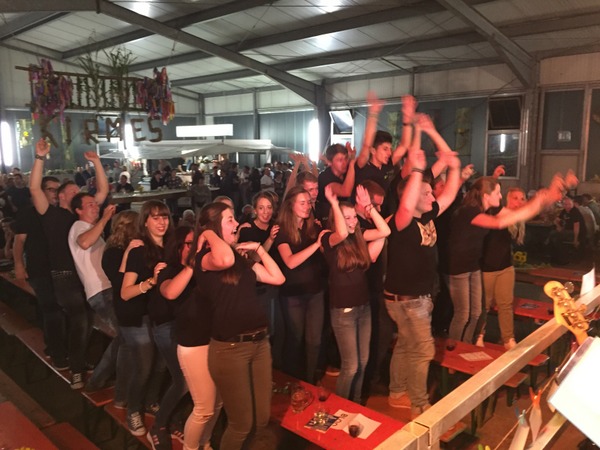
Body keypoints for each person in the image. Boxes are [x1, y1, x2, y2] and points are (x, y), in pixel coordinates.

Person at [384, 122, 462, 418]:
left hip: (417, 298)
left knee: (406, 345)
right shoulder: (401, 221)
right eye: (426, 193)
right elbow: (406, 204)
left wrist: (452, 164)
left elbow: (451, 191)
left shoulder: (427, 215)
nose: (432, 197)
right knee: (424, 350)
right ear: (412, 196)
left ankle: (396, 392)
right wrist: (416, 170)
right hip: (407, 300)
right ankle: (419, 405)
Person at [192, 202, 284, 450]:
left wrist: (259, 249)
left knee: (261, 420)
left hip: (259, 344)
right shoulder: (204, 259)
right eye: (230, 219)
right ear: (214, 226)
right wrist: (207, 232)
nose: (237, 223)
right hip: (230, 350)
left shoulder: (241, 260)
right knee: (241, 424)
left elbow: (278, 277)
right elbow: (222, 258)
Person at [448, 174, 573, 344]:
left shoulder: (487, 209)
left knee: (476, 313)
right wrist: (540, 198)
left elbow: (519, 214)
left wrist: (548, 196)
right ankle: (457, 347)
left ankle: (471, 345)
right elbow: (499, 223)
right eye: (498, 193)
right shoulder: (469, 211)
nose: (501, 196)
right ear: (486, 196)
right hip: (461, 268)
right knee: (464, 314)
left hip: (474, 267)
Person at [30, 138, 109, 389]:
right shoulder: (51, 214)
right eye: (73, 192)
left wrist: (97, 162)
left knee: (86, 322)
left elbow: (102, 192)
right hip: (64, 276)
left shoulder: (82, 216)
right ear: (61, 196)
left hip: (84, 277)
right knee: (80, 321)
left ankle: (80, 361)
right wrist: (39, 157)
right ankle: (76, 369)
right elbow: (34, 189)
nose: (79, 195)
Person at [321, 184, 390, 402]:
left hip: (363, 308)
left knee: (362, 362)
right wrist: (334, 204)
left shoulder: (358, 235)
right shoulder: (328, 237)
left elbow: (385, 231)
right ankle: (341, 406)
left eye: (353, 217)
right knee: (350, 366)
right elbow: (341, 232)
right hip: (344, 311)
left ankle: (356, 403)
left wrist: (369, 207)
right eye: (347, 218)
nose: (352, 222)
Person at [159, 225, 222, 450]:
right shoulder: (169, 270)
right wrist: (192, 265)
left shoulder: (206, 269)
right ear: (178, 247)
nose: (195, 248)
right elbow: (170, 292)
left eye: (197, 244)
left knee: (218, 403)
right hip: (192, 345)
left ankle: (205, 443)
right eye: (189, 244)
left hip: (215, 341)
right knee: (204, 408)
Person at [119, 200, 173, 437]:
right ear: (145, 222)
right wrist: (151, 281)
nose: (161, 222)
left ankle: (151, 400)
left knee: (162, 364)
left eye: (165, 217)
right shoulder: (139, 250)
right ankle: (133, 409)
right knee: (145, 366)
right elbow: (125, 292)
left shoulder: (172, 247)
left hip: (165, 315)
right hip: (140, 314)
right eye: (155, 218)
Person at [67, 194, 123, 395]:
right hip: (100, 291)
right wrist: (105, 218)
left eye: (95, 203)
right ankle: (98, 379)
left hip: (106, 288)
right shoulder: (78, 227)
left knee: (126, 334)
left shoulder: (92, 229)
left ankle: (108, 376)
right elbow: (84, 243)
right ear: (78, 210)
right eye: (89, 204)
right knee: (126, 334)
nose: (95, 207)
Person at [12, 176, 68, 370]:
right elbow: (19, 241)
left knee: (57, 310)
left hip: (59, 268)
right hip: (39, 269)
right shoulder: (28, 214)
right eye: (51, 189)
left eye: (58, 189)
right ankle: (57, 353)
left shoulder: (60, 213)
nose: (56, 193)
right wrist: (19, 265)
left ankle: (55, 346)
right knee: (52, 310)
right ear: (41, 192)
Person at [274, 185, 326, 383]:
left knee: (314, 341)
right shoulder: (282, 231)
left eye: (309, 203)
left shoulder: (314, 227)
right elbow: (290, 261)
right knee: (295, 340)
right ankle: (293, 383)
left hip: (315, 292)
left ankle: (310, 381)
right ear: (291, 205)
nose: (307, 207)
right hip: (293, 294)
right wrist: (316, 245)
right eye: (302, 203)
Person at [477, 187, 526, 350]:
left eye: (522, 199)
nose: (519, 202)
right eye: (515, 198)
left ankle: (508, 339)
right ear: (506, 199)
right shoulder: (495, 213)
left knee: (506, 305)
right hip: (487, 268)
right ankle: (479, 335)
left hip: (506, 267)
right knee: (484, 305)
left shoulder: (517, 220)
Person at [315, 143, 356, 225]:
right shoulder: (325, 177)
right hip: (330, 221)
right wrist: (352, 164)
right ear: (329, 162)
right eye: (340, 160)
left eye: (346, 158)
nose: (344, 163)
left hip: (348, 218)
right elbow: (345, 192)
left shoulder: (346, 172)